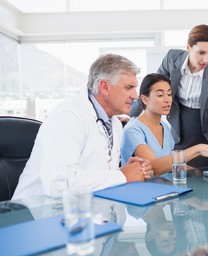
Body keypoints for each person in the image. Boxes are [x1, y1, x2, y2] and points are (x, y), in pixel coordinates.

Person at [12, 54, 153, 200]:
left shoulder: (114, 123)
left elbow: (95, 173)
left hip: (84, 210)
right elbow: (58, 184)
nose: (135, 96)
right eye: (129, 87)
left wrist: (122, 170)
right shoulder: (68, 117)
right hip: (37, 214)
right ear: (105, 87)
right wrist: (122, 175)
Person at [130, 24, 208, 167]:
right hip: (179, 129)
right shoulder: (172, 58)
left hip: (207, 135)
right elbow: (151, 88)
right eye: (201, 52)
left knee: (203, 177)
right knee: (179, 172)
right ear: (189, 47)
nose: (206, 59)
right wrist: (130, 117)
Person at [121, 73, 208, 176]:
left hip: (167, 188)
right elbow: (155, 168)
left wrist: (200, 174)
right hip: (144, 191)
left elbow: (170, 164)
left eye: (169, 94)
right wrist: (200, 149)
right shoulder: (133, 129)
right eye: (160, 95)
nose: (167, 100)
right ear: (145, 99)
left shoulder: (164, 127)